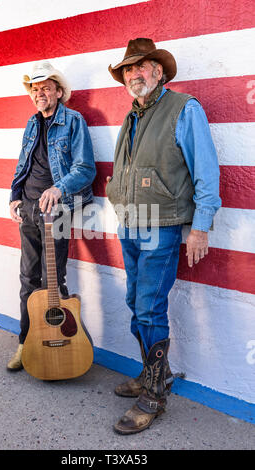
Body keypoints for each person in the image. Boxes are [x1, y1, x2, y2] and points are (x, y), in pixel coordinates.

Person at [106, 38, 221, 434]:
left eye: (141, 67)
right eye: (128, 70)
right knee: (134, 302)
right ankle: (154, 372)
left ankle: (154, 393)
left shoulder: (183, 109)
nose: (134, 74)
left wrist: (201, 225)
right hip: (130, 224)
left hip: (161, 226)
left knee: (149, 308)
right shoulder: (131, 116)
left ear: (158, 71)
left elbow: (206, 169)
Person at [7, 61, 96, 371]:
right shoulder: (32, 123)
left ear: (59, 92)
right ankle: (25, 342)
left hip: (54, 211)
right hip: (28, 208)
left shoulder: (73, 121)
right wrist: (14, 196)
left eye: (45, 87)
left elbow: (85, 169)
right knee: (27, 279)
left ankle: (60, 345)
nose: (39, 93)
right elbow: (23, 164)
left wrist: (58, 188)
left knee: (53, 281)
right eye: (35, 89)